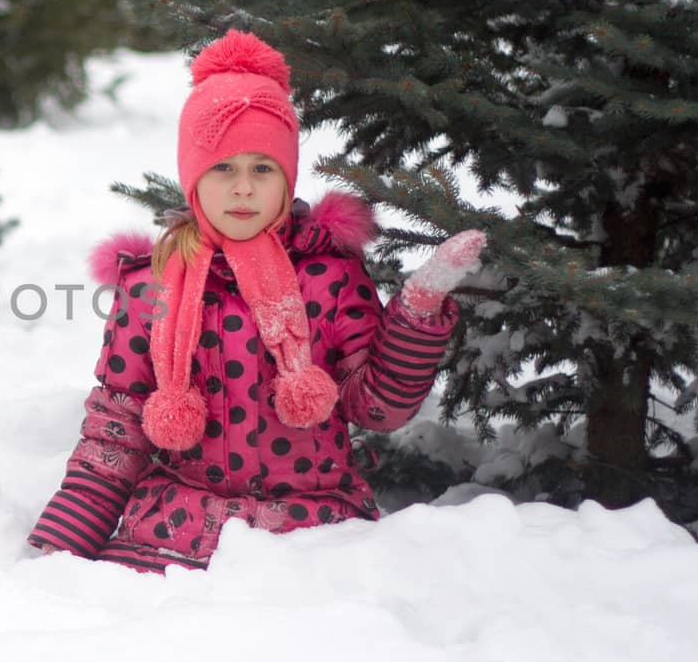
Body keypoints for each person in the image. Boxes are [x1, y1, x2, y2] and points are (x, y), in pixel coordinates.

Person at [26, 30, 485, 573]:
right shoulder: (151, 286)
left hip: (310, 531)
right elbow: (115, 433)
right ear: (194, 179)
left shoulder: (330, 276)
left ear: (286, 179)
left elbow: (377, 408)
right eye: (223, 168)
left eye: (262, 169)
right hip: (177, 532)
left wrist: (416, 314)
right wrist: (59, 551)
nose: (243, 188)